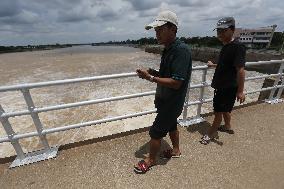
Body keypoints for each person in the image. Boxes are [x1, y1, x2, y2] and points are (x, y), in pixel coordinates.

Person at [134, 10, 192, 174]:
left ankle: (151, 160)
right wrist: (152, 71)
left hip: (172, 101)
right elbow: (168, 75)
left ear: (172, 29)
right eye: (156, 31)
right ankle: (176, 150)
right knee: (172, 125)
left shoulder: (181, 51)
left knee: (156, 132)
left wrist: (150, 77)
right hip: (165, 100)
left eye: (160, 30)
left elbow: (176, 82)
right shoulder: (168, 48)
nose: (156, 34)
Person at [200, 17, 246, 145]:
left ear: (232, 30)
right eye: (218, 31)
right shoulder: (226, 46)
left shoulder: (237, 47)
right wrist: (213, 65)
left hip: (227, 87)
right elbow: (226, 65)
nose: (219, 33)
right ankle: (227, 126)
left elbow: (240, 69)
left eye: (223, 30)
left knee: (218, 112)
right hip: (223, 86)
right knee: (225, 109)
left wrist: (241, 91)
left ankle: (210, 134)